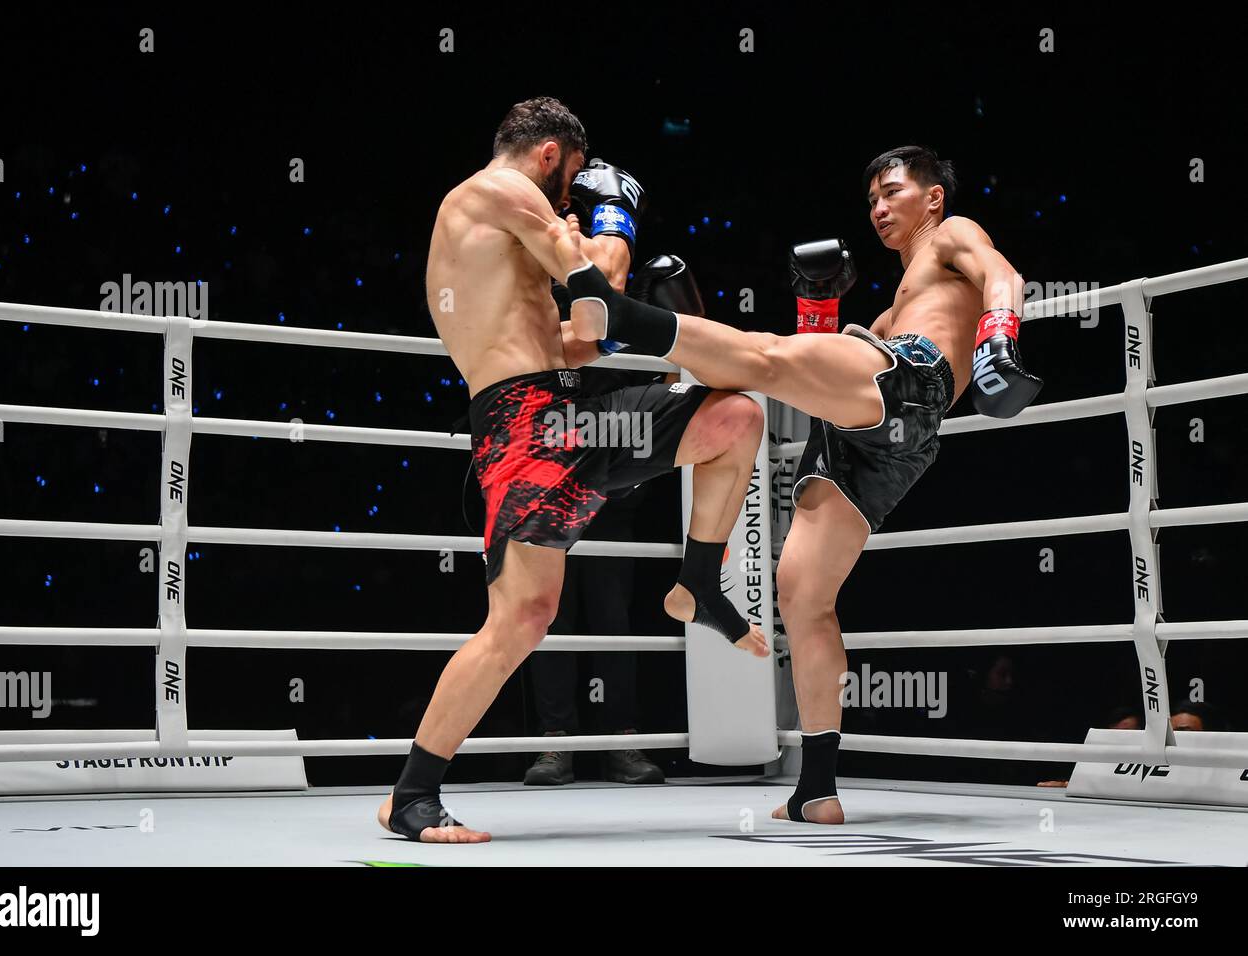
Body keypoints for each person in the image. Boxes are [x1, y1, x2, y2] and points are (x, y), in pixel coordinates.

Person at [556, 145, 1043, 825]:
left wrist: (999, 342)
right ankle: (817, 789)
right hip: (882, 439)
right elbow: (821, 382)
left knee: (763, 358)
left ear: (933, 198)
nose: (878, 208)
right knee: (802, 596)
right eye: (871, 198)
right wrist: (819, 311)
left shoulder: (952, 238)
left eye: (893, 192)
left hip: (908, 384)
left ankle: (622, 319)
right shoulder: (892, 309)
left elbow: (1004, 273)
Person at [378, 96, 768, 844]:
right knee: (522, 620)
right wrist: (616, 217)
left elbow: (582, 332)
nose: (574, 196)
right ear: (553, 154)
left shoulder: (500, 233)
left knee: (735, 417)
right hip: (524, 422)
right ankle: (412, 794)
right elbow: (601, 284)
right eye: (577, 176)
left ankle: (698, 579)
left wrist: (615, 329)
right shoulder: (495, 191)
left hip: (575, 405)